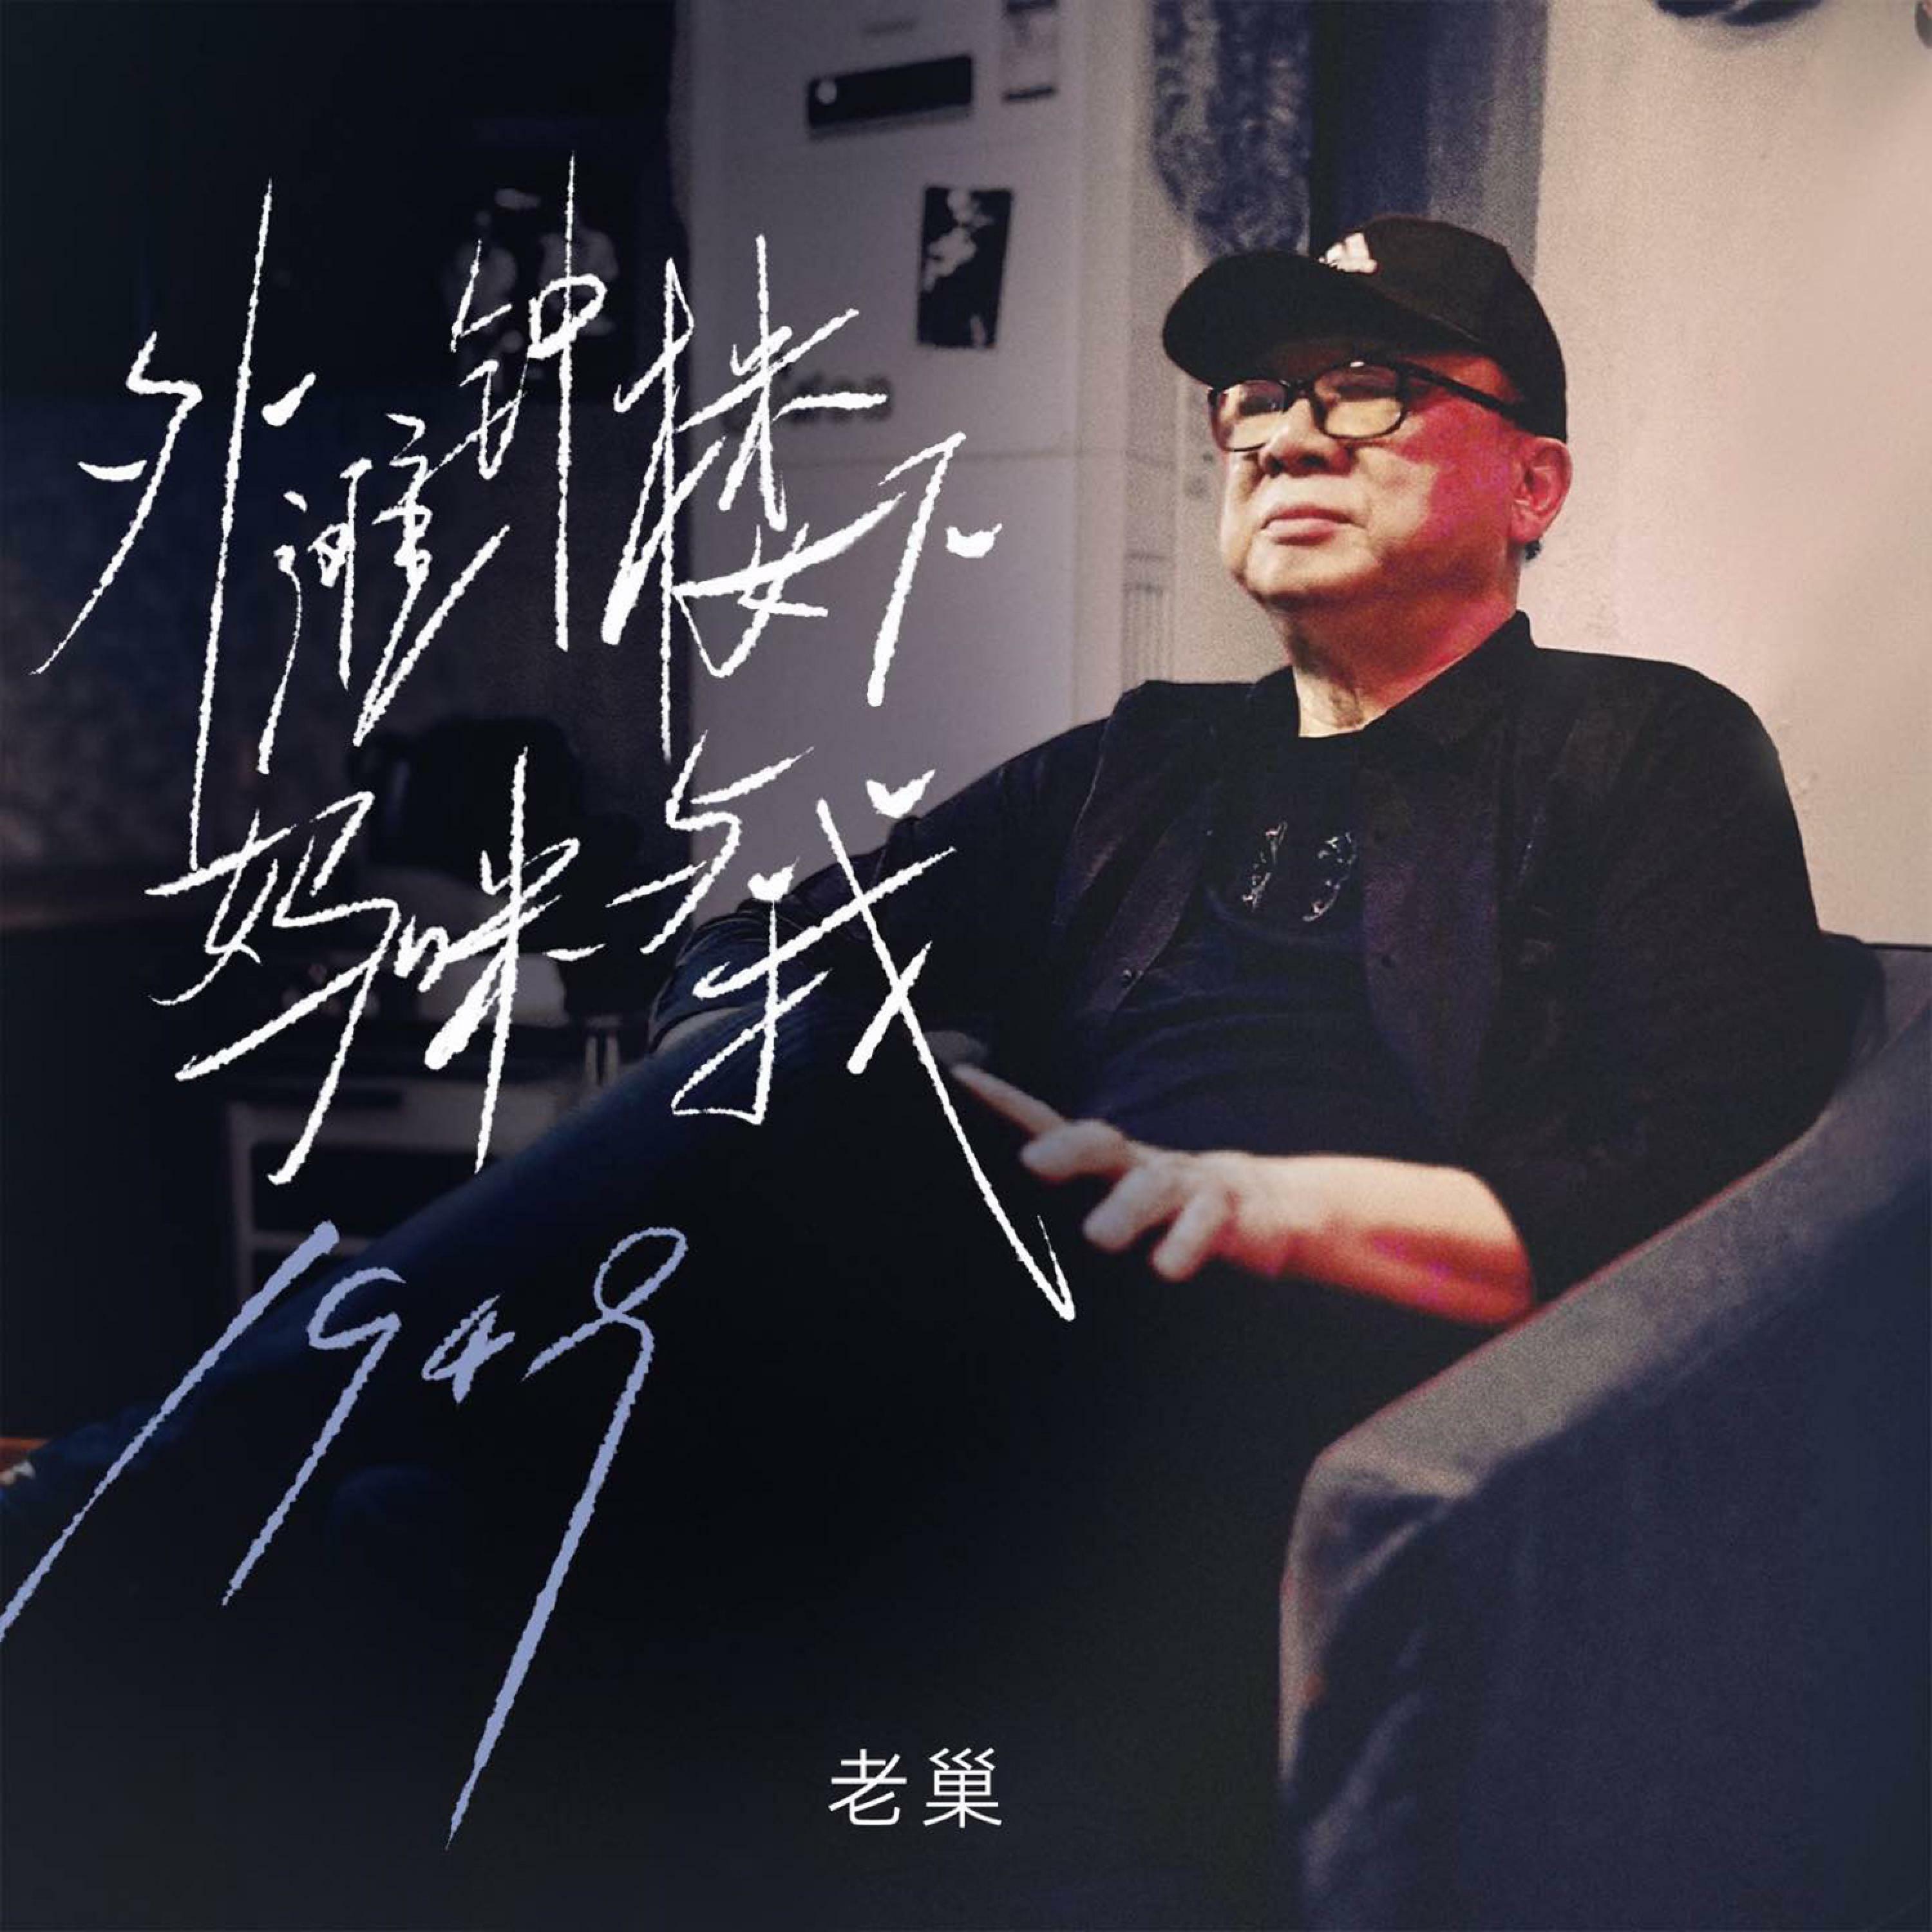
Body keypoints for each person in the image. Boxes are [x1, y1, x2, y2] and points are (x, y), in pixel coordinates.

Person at [1, 216, 1842, 1929]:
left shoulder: (1642, 748)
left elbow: (1705, 1191)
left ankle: (98, 1498)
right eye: (1257, 397)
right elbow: (783, 950)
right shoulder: (1138, 763)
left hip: (1320, 1353)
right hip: (1020, 1307)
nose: (1289, 434)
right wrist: (875, 1104)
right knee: (413, 1512)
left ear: (1535, 482)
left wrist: (1257, 1205)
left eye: (1369, 387)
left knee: (450, 1487)